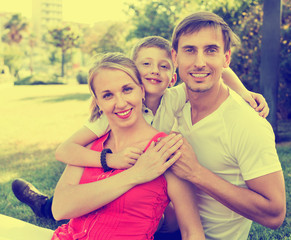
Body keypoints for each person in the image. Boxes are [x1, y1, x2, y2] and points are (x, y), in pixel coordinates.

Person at [11, 36, 269, 238]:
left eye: (164, 66)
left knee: (148, 205)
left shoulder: (173, 98)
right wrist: (111, 160)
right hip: (109, 177)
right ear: (135, 74)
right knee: (82, 205)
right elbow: (65, 151)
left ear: (172, 77)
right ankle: (40, 203)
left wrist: (246, 94)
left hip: (151, 185)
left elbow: (219, 70)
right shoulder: (109, 116)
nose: (154, 71)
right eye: (145, 64)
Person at [2, 52, 205, 240]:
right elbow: (60, 208)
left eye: (127, 89)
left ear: (142, 91)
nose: (121, 103)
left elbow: (191, 231)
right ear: (98, 102)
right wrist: (135, 174)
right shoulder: (89, 148)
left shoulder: (165, 150)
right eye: (108, 95)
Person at [168, 11, 286, 239]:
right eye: (189, 50)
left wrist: (196, 173)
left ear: (226, 58)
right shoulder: (171, 103)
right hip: (165, 226)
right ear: (175, 58)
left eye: (211, 50)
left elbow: (275, 214)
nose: (199, 62)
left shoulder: (247, 124)